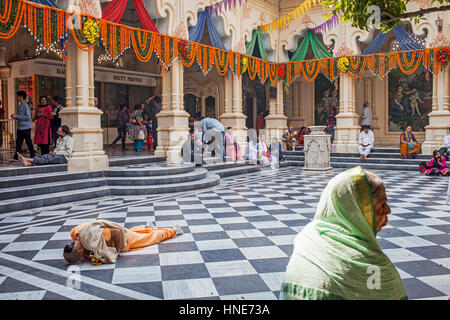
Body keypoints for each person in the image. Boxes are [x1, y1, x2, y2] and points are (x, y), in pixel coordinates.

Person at [280, 166, 408, 300]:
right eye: (382, 206)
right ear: (357, 212)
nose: (388, 211)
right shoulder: (368, 262)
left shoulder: (309, 236)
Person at [63, 219, 181, 265]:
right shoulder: (75, 232)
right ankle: (146, 226)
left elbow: (117, 233)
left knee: (150, 238)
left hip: (124, 238)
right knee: (133, 232)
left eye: (79, 259)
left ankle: (173, 230)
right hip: (119, 233)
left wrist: (117, 252)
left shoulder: (92, 238)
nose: (81, 259)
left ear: (79, 251)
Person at [11, 91, 36, 161]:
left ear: (21, 97)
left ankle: (33, 155)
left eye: (18, 96)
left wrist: (17, 116)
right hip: (21, 127)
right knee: (18, 142)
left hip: (26, 128)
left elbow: (28, 117)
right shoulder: (20, 106)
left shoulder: (25, 105)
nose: (17, 98)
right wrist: (15, 116)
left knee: (28, 142)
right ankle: (16, 157)